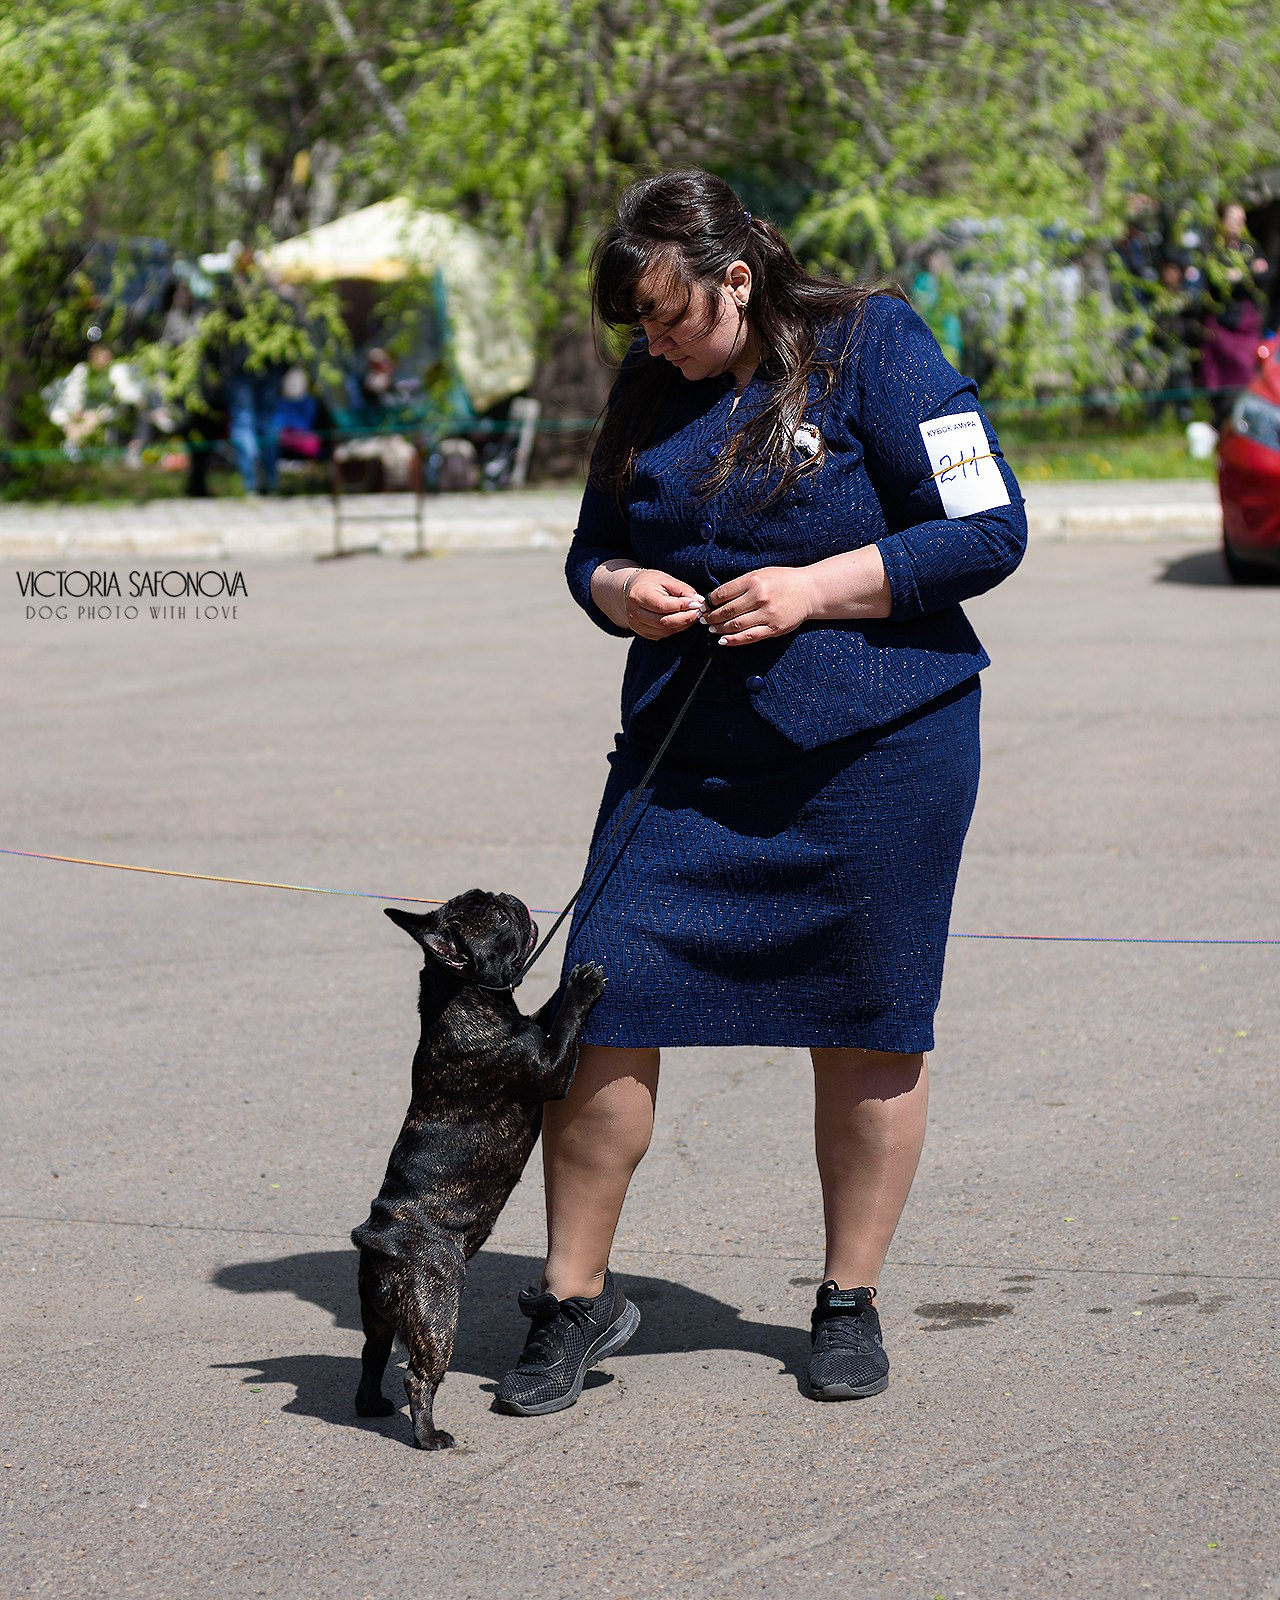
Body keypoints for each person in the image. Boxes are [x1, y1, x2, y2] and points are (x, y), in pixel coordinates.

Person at [493, 170, 1027, 1417]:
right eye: (638, 327)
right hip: (685, 756)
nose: (657, 343)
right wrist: (618, 588)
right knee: (603, 999)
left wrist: (814, 587)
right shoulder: (647, 383)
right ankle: (571, 1299)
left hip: (880, 751)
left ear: (737, 278)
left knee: (867, 1022)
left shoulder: (873, 343)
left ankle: (846, 1299)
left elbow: (988, 526)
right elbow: (589, 548)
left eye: (673, 317)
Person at [1197, 201, 1271, 428]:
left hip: (1245, 322)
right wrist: (1245, 275)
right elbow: (1212, 283)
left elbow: (1265, 275)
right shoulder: (1211, 250)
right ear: (1221, 221)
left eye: (1241, 219)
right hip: (1221, 322)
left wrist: (1244, 275)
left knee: (1247, 369)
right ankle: (1221, 422)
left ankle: (1246, 423)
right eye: (1233, 218)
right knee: (1220, 373)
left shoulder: (1249, 248)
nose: (1238, 224)